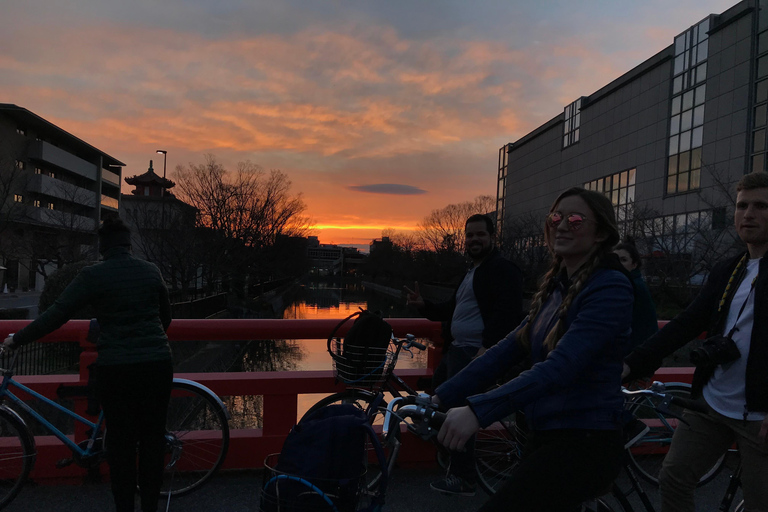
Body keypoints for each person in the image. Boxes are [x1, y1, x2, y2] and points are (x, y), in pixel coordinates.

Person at [433, 187, 633, 511]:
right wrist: (440, 396)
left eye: (576, 219)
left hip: (584, 441)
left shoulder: (610, 286)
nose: (563, 224)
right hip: (545, 435)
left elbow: (561, 366)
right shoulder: (558, 285)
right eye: (556, 216)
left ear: (601, 233)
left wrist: (477, 412)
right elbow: (509, 348)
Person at [3, 216, 173, 512]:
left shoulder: (94, 275)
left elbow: (57, 314)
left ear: (102, 247)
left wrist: (18, 339)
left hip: (117, 367)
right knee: (151, 440)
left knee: (120, 445)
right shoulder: (150, 271)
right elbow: (166, 318)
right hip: (157, 362)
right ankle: (150, 507)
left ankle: (124, 508)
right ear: (128, 244)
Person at [623, 171, 768, 512]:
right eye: (742, 205)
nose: (748, 214)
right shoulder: (728, 269)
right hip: (713, 403)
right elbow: (686, 323)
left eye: (761, 206)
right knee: (673, 476)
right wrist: (632, 363)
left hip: (760, 415)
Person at [405, 213, 523, 496]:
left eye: (480, 234)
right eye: (469, 235)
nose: (473, 240)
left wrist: (488, 348)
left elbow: (508, 313)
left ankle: (464, 478)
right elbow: (451, 309)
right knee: (438, 406)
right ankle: (452, 458)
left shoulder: (502, 269)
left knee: (456, 412)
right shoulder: (472, 271)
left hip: (475, 352)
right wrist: (423, 305)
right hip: (456, 350)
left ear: (492, 237)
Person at [614, 240, 658, 349]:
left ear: (634, 264)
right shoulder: (633, 282)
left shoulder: (629, 286)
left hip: (636, 352)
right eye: (615, 260)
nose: (618, 264)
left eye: (623, 260)